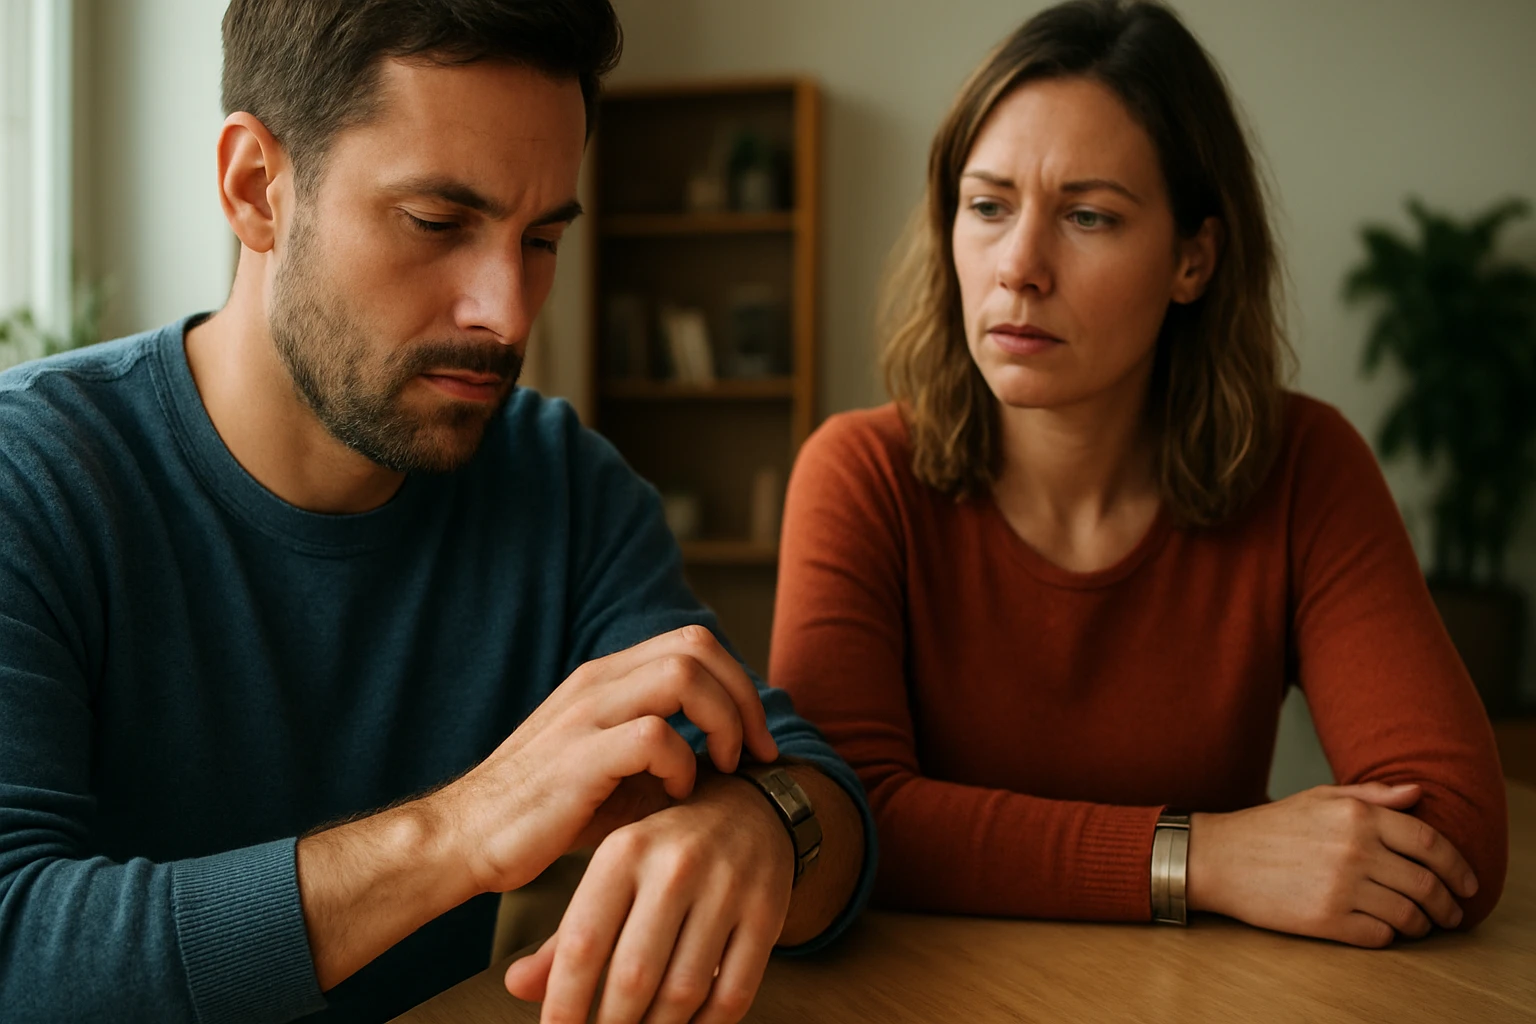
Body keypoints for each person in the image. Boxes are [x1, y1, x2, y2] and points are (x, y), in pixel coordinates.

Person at [0, 2, 874, 1022]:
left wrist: (758, 826)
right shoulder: (36, 477)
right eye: (437, 224)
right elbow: (18, 946)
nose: (505, 313)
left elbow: (815, 791)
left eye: (541, 236)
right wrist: (457, 835)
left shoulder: (561, 486)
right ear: (255, 188)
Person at [770, 0, 1505, 948]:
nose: (1019, 267)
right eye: (987, 206)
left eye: (1088, 216)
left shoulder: (1304, 467)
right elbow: (838, 821)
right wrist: (1206, 858)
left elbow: (1455, 832)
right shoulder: (860, 473)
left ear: (1193, 259)